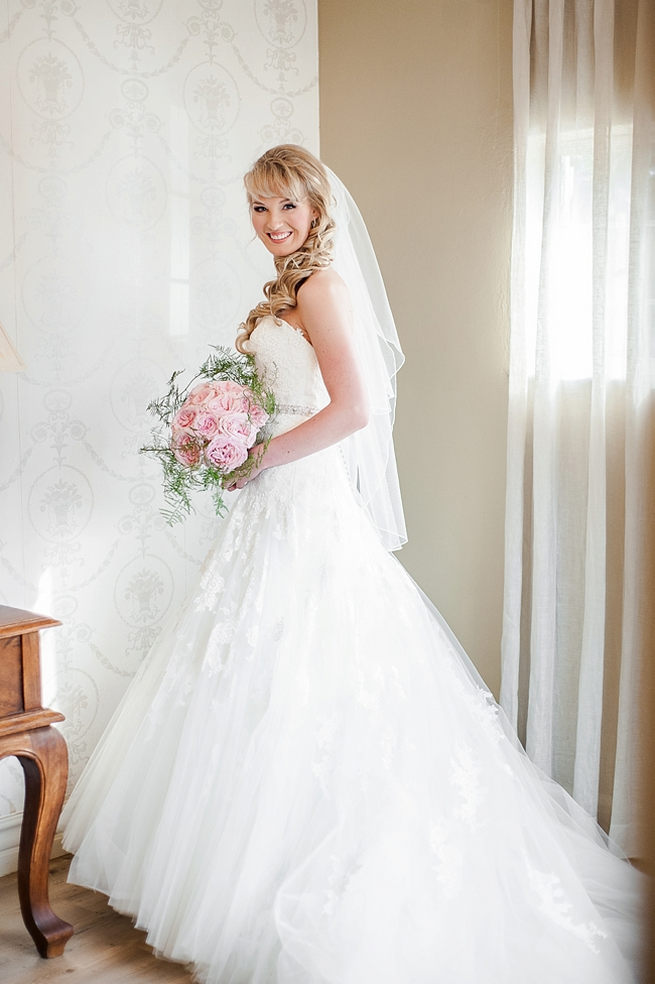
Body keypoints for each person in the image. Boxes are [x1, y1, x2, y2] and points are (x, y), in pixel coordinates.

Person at [62, 145, 643, 984]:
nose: (271, 224)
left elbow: (357, 409)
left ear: (317, 210)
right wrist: (218, 426)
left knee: (313, 673)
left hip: (307, 502)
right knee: (246, 674)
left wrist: (260, 454)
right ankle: (235, 876)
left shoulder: (324, 286)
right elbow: (280, 397)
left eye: (286, 207)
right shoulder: (285, 291)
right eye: (258, 209)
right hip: (271, 507)